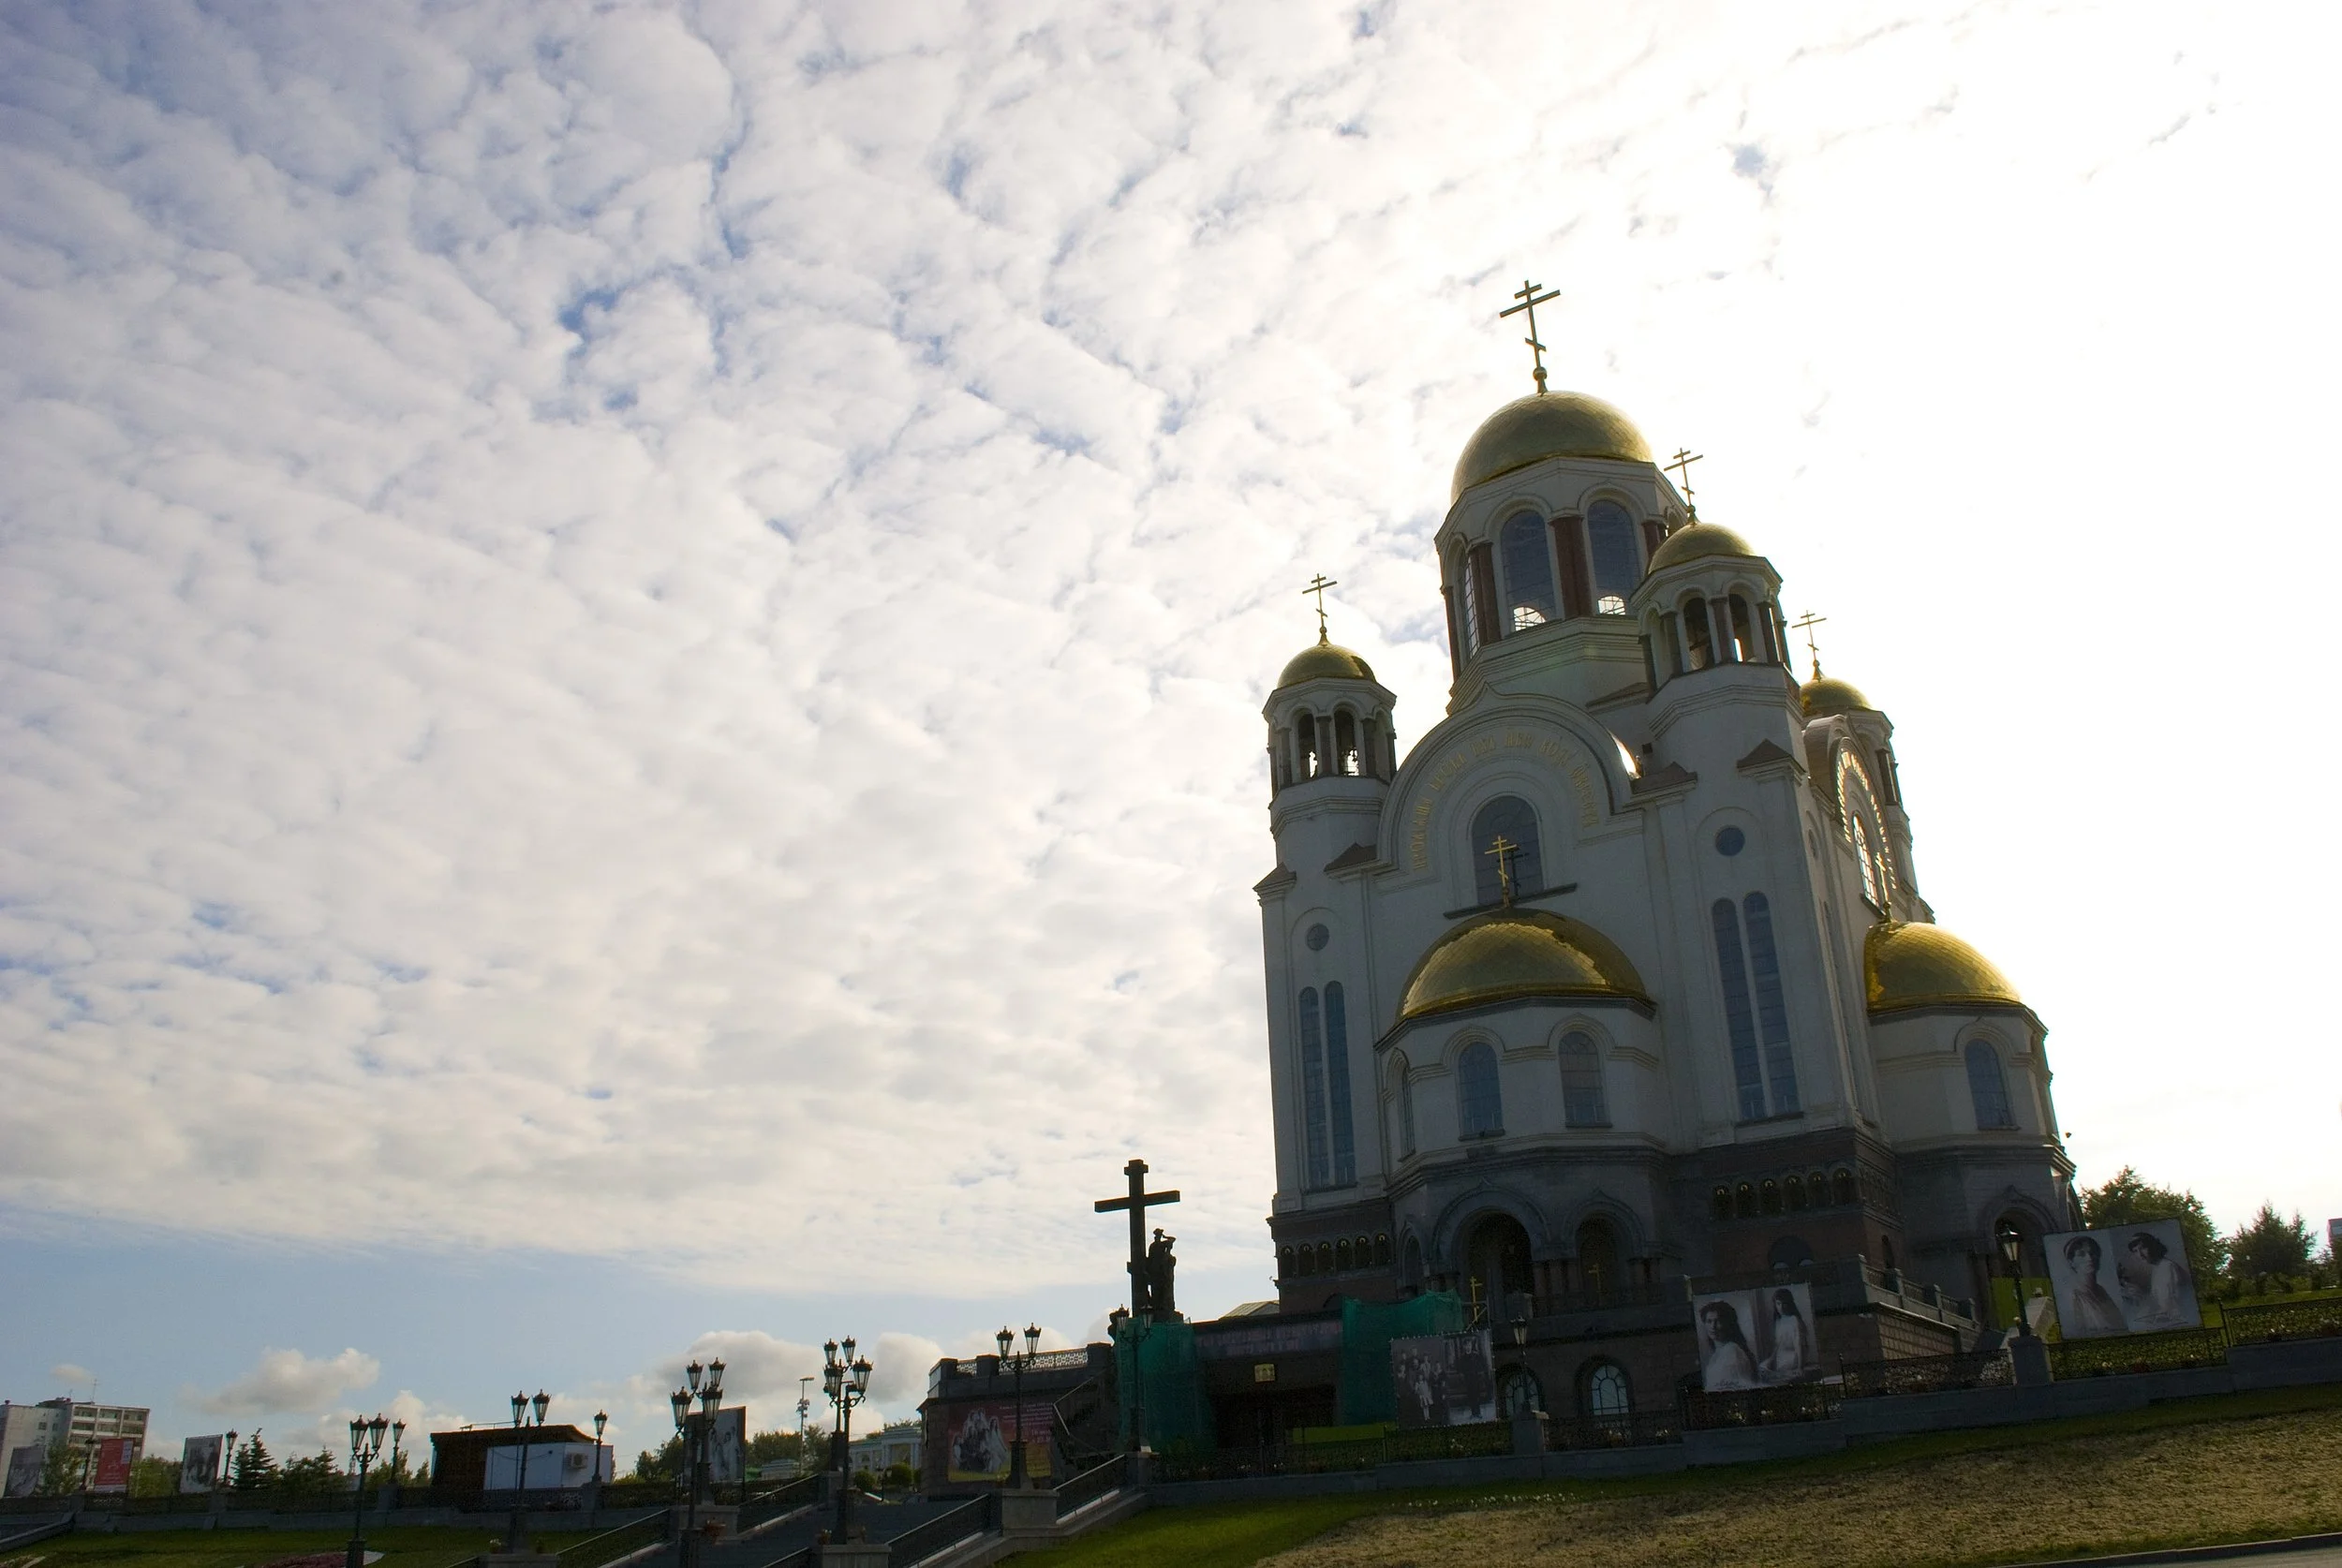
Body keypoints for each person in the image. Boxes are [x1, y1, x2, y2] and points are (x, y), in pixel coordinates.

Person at [2121, 1229, 2195, 1330]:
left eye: (2143, 1248)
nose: (2140, 1254)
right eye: (2135, 1251)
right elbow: (2158, 1301)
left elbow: (2173, 1304)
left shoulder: (2168, 1267)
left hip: (2179, 1321)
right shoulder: (2158, 1268)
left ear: (2153, 1246)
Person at [2058, 1234, 2127, 1337]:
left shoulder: (2101, 1291)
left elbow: (2118, 1323)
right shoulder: (2074, 1296)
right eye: (2081, 1254)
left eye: (2092, 1253)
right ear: (2071, 1262)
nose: (2089, 1258)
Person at [1699, 1299, 1759, 1390]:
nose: (1713, 1326)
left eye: (1718, 1321)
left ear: (1727, 1324)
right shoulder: (1718, 1353)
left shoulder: (1733, 1352)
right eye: (1709, 1321)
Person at [1761, 1288, 1816, 1383]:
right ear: (1775, 1304)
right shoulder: (1778, 1321)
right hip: (1781, 1354)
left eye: (1784, 1304)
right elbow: (1778, 1345)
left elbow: (1799, 1345)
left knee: (1777, 1370)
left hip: (1794, 1355)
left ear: (1789, 1304)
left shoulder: (1794, 1320)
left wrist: (1800, 1367)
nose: (1781, 1307)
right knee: (1763, 1367)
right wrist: (1771, 1359)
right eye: (1778, 1304)